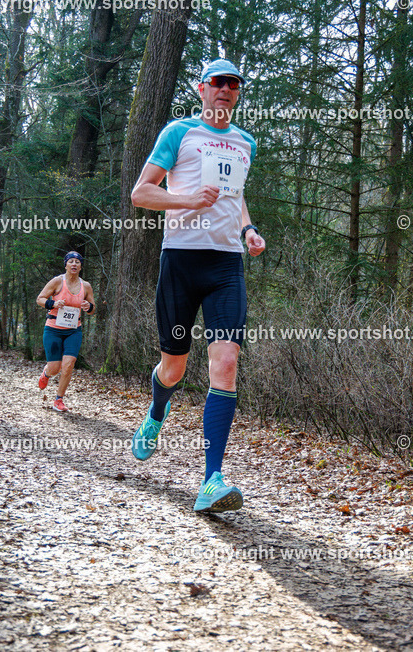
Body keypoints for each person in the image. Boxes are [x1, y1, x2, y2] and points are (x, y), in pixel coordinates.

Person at [129, 59, 265, 513]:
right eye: (218, 82)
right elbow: (141, 193)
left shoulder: (246, 142)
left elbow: (236, 193)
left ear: (238, 93)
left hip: (226, 265)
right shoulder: (178, 133)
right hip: (180, 261)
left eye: (234, 83)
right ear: (202, 88)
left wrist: (248, 230)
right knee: (175, 368)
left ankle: (211, 479)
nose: (226, 89)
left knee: (225, 362)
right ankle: (156, 412)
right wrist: (188, 198)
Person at [35, 252, 95, 412]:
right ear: (66, 265)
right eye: (71, 262)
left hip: (74, 331)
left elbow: (92, 309)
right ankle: (46, 374)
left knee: (68, 365)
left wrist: (88, 307)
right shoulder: (57, 281)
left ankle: (58, 400)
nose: (74, 264)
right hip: (53, 329)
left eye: (77, 262)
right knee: (55, 368)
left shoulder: (86, 286)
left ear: (81, 266)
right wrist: (53, 304)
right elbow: (39, 299)